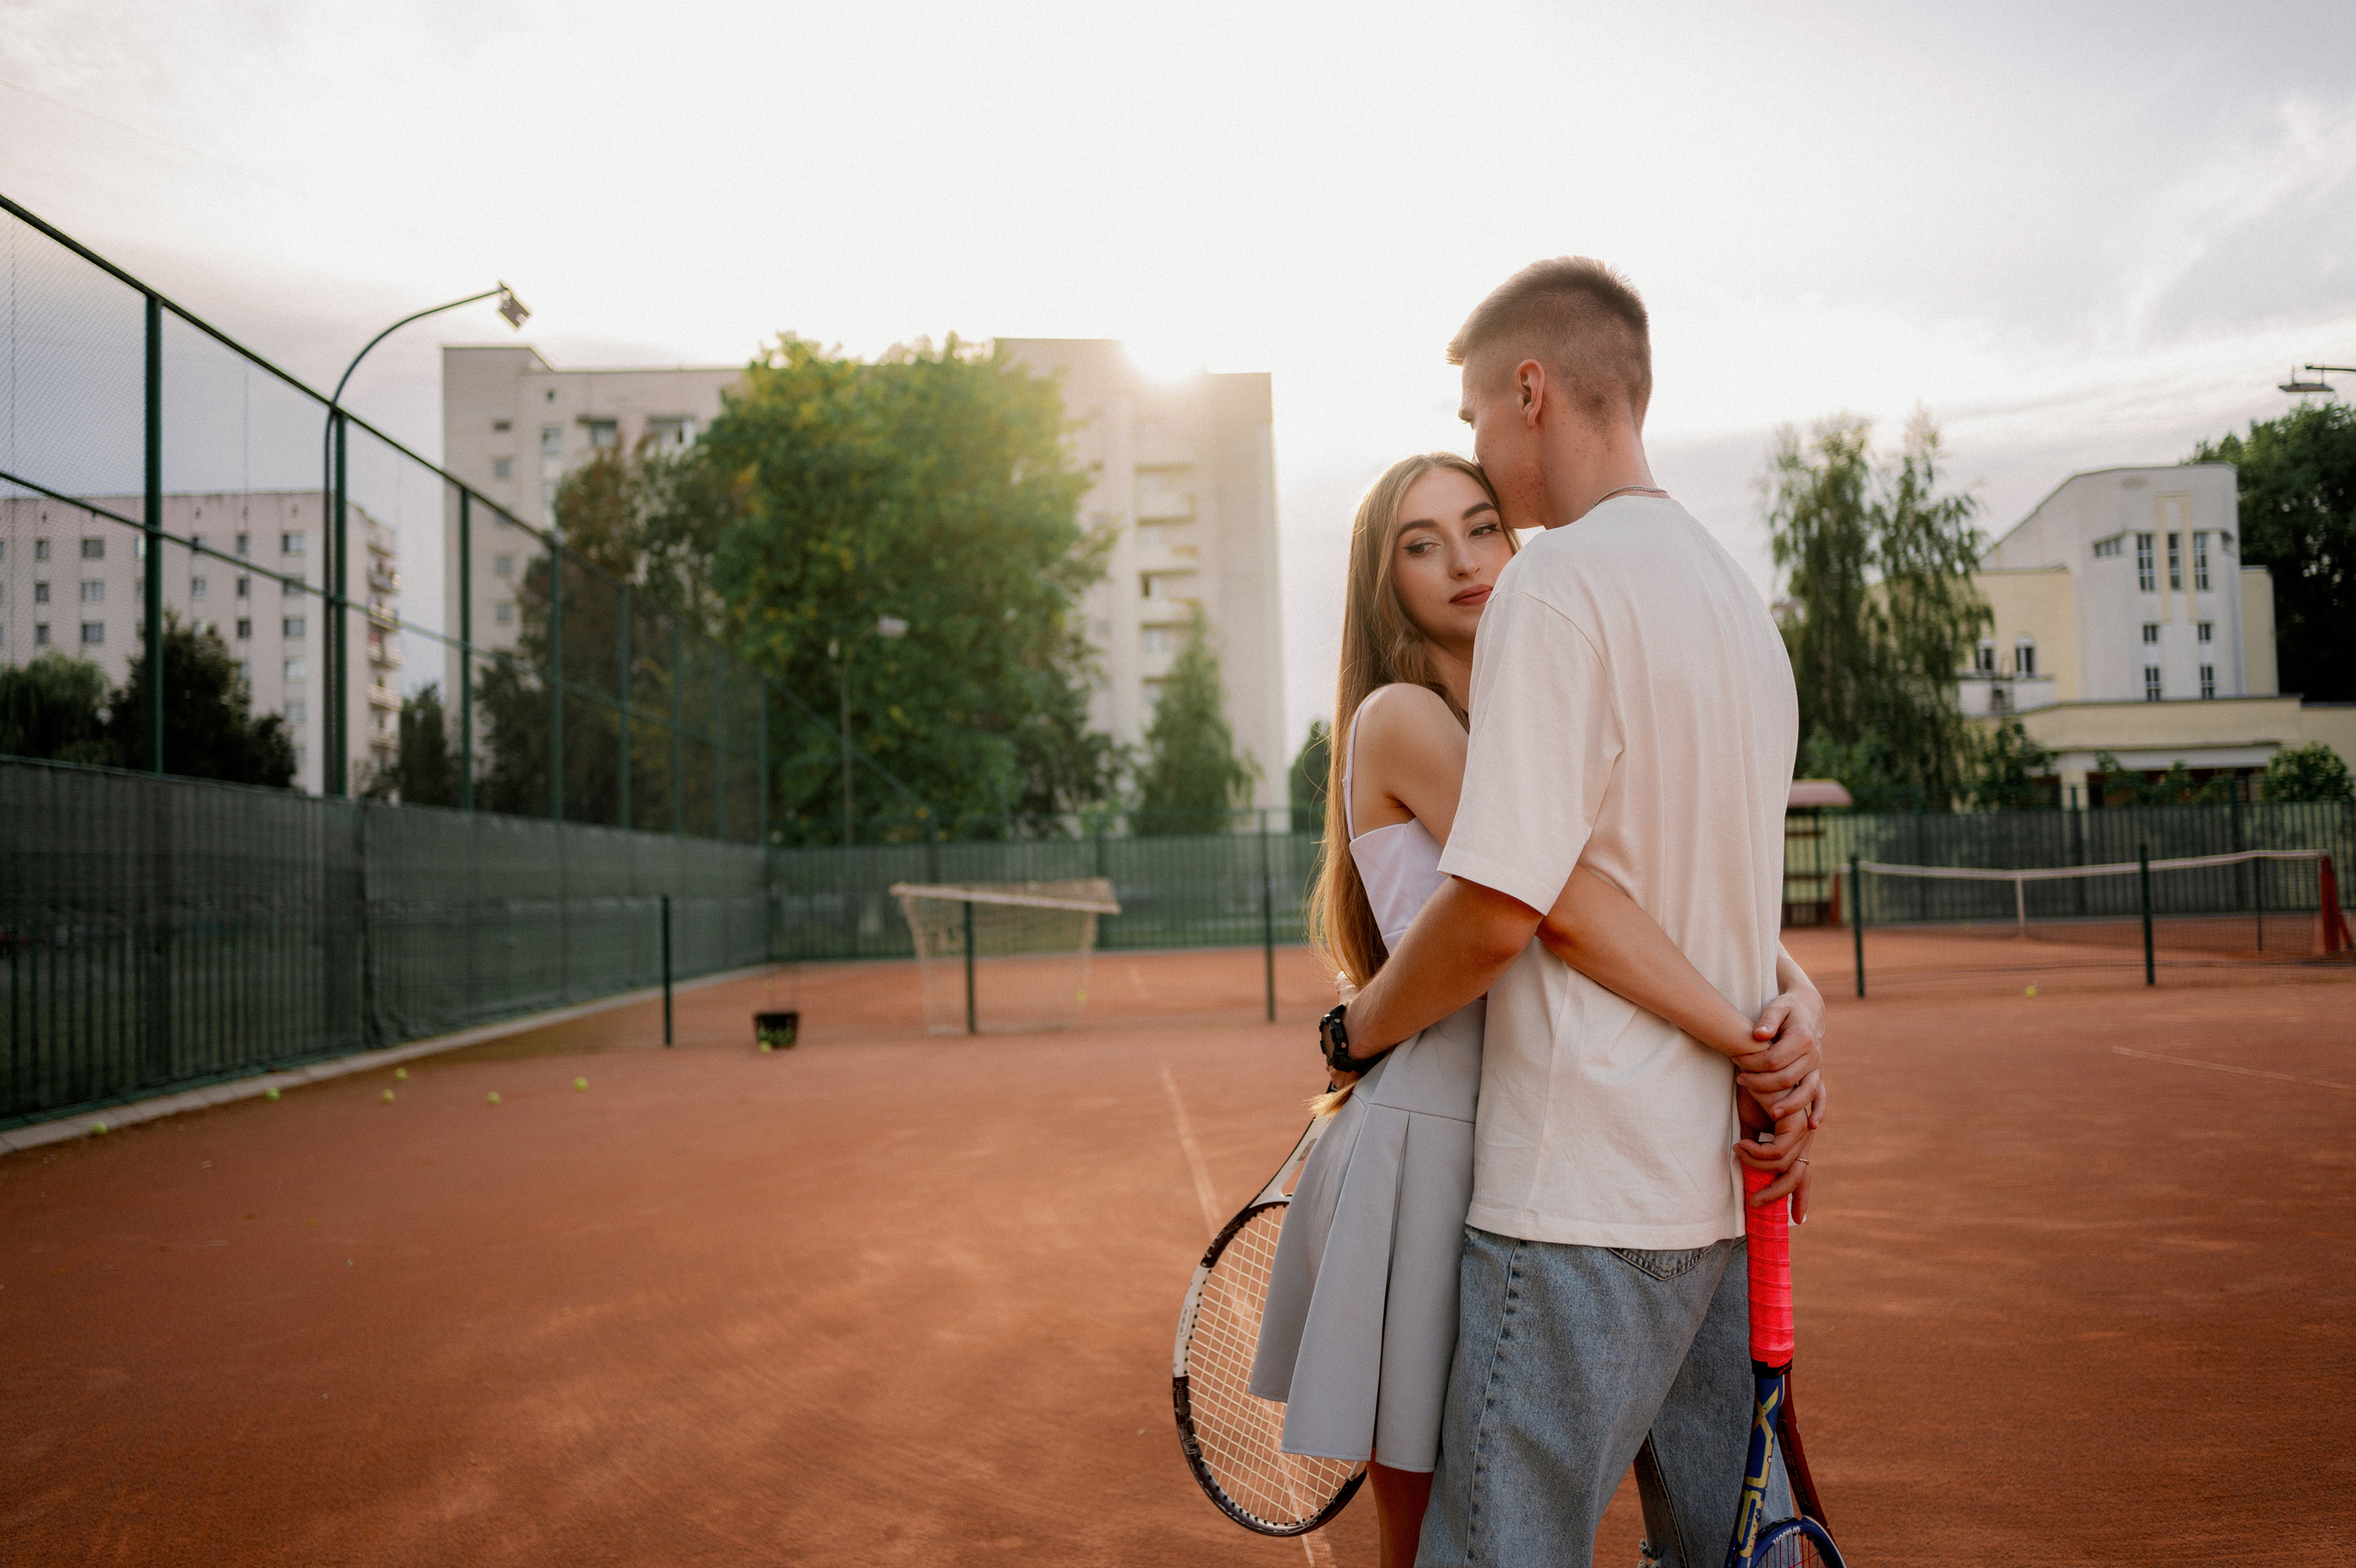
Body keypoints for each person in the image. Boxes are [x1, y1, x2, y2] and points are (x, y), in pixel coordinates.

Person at [1249, 450, 1825, 1568]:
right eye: (1422, 544)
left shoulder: (1537, 705)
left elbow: (1656, 893)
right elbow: (1555, 898)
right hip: (1436, 1131)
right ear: (1385, 581)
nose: (1466, 561)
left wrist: (1798, 1007)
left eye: (1480, 526)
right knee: (1430, 1523)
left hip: (1555, 1129)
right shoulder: (1401, 716)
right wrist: (1746, 1037)